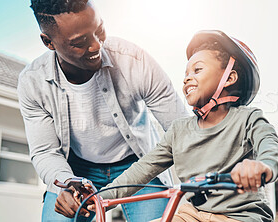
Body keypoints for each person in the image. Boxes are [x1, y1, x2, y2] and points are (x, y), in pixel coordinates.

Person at [85, 30, 278, 222]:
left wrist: (262, 165)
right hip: (192, 214)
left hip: (241, 216)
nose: (187, 78)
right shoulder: (179, 131)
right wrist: (101, 197)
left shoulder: (247, 119)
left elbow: (269, 144)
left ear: (229, 78)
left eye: (197, 70)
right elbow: (143, 168)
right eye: (186, 73)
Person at [17, 0, 187, 221]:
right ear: (49, 42)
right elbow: (45, 151)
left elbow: (182, 129)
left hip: (139, 163)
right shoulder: (33, 83)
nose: (97, 46)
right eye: (80, 42)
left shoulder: (134, 61)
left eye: (99, 30)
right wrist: (65, 183)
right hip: (76, 171)